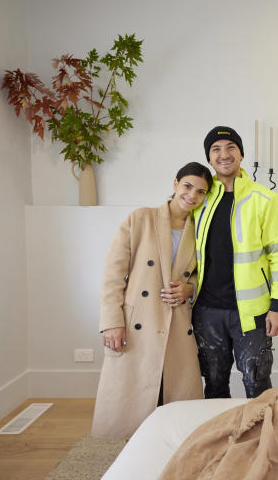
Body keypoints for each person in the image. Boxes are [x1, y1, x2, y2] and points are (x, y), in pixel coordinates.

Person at [91, 162, 213, 439]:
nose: (192, 195)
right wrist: (111, 322)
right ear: (175, 184)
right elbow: (113, 274)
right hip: (138, 322)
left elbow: (203, 276)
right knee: (131, 405)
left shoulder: (201, 231)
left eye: (201, 192)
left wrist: (189, 288)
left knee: (177, 408)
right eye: (188, 186)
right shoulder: (141, 219)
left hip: (178, 323)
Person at [192, 126, 278, 399]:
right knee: (213, 385)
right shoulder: (197, 199)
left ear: (241, 154)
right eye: (216, 149)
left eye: (230, 147)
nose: (224, 154)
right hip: (206, 311)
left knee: (257, 384)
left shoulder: (265, 199)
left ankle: (263, 440)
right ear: (209, 159)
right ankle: (221, 440)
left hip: (252, 313)